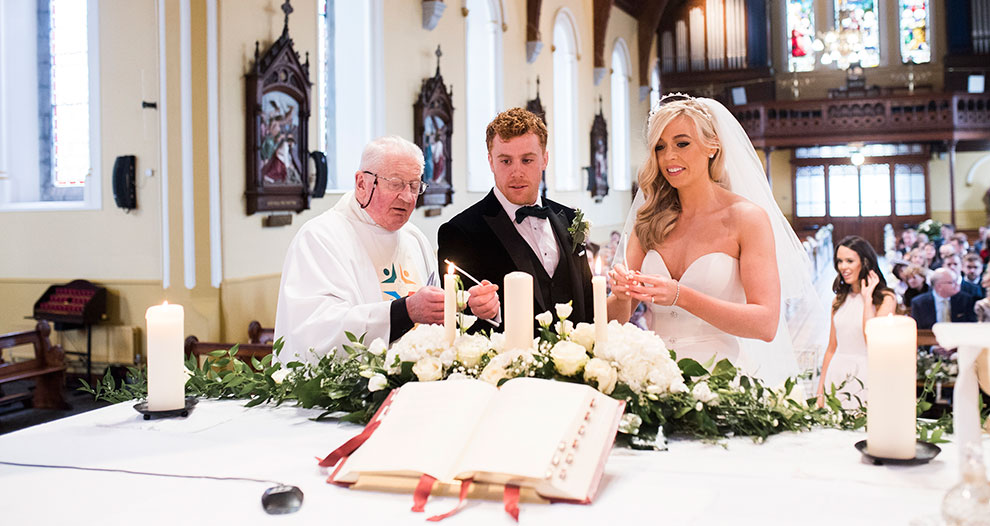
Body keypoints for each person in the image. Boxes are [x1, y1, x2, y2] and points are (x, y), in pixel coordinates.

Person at [607, 95, 822, 387]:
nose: (669, 156)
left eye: (682, 143)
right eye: (660, 147)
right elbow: (615, 319)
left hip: (722, 382)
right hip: (654, 381)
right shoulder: (648, 221)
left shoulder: (747, 219)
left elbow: (766, 323)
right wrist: (620, 296)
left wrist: (682, 296)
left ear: (712, 146)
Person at [275, 136, 499, 361]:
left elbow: (433, 325)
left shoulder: (414, 238)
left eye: (414, 186)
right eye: (395, 183)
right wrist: (405, 312)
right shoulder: (320, 238)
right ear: (362, 183)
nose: (408, 197)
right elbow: (317, 331)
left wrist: (465, 304)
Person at [438, 108, 594, 333]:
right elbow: (457, 320)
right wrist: (485, 311)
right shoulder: (460, 232)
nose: (517, 172)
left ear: (544, 159)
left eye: (527, 160)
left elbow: (586, 302)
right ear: (491, 162)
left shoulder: (570, 219)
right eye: (506, 161)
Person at [817, 236, 897, 409]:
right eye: (840, 261)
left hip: (867, 373)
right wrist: (820, 391)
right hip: (837, 373)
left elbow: (872, 341)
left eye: (849, 261)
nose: (843, 267)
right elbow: (831, 348)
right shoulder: (838, 299)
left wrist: (867, 300)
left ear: (865, 262)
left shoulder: (886, 299)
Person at [909, 268, 978, 330]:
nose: (957, 285)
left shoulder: (965, 300)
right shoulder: (919, 303)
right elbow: (918, 331)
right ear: (939, 286)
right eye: (952, 282)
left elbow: (971, 326)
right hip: (931, 341)